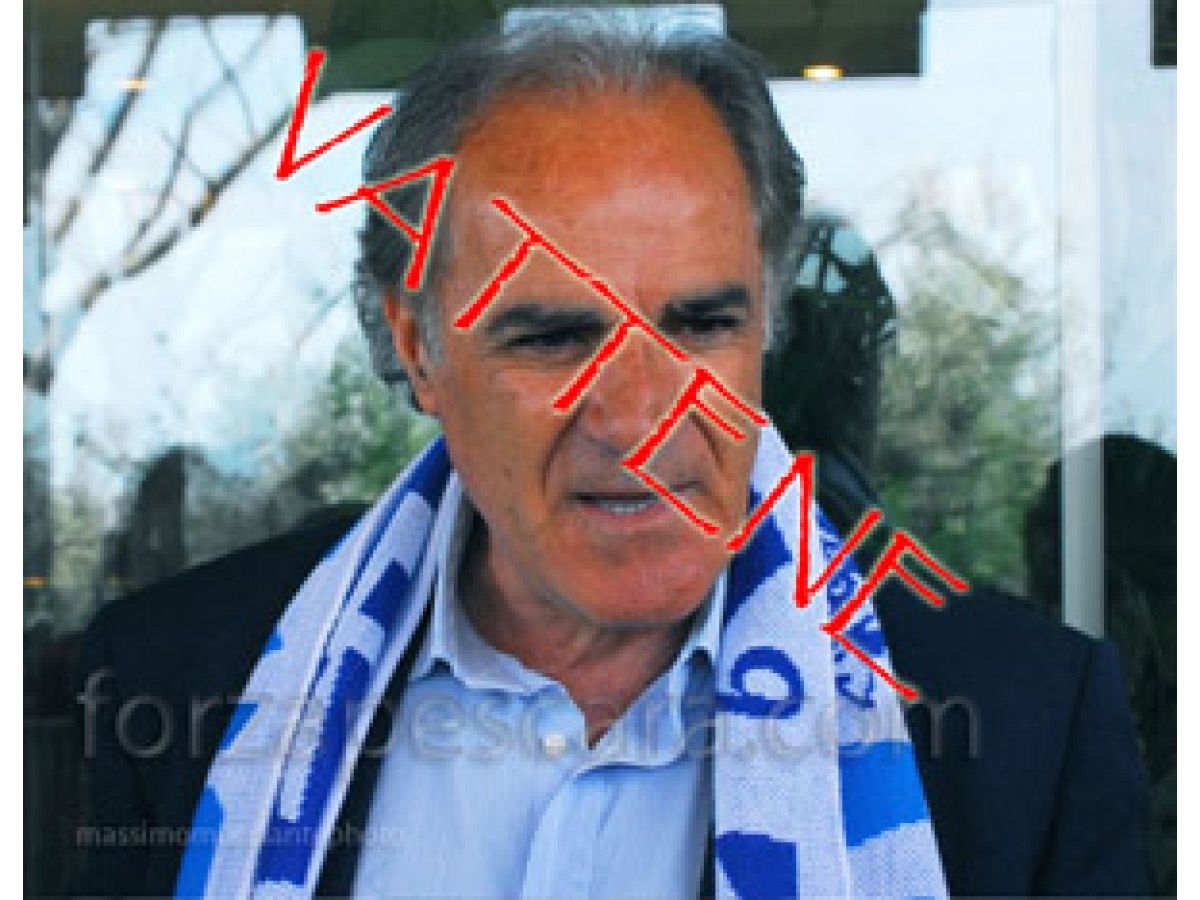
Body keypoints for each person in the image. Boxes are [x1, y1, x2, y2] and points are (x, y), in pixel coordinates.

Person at [71, 18, 1148, 898]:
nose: (639, 417)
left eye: (701, 324)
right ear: (418, 346)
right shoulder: (173, 685)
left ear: (767, 323)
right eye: (552, 336)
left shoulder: (1027, 726)